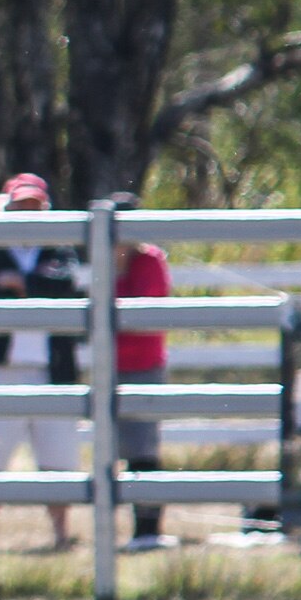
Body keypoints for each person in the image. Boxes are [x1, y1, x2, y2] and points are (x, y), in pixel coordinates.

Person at [0, 173, 81, 553]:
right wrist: (32, 284)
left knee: (57, 455)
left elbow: (64, 286)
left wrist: (20, 283)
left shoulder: (58, 251)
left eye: (35, 207)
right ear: (7, 208)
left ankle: (61, 534)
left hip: (51, 368)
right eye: (21, 206)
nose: (29, 214)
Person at [113, 207, 174, 549]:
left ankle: (148, 528)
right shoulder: (105, 261)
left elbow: (143, 313)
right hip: (113, 365)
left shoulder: (150, 261)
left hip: (144, 364)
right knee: (116, 448)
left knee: (143, 449)